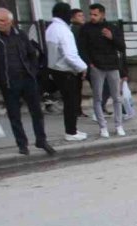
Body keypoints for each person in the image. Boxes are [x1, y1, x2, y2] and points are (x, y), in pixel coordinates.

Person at [0, 9, 56, 156]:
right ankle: (22, 144)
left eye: (2, 21)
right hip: (8, 81)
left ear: (10, 22)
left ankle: (41, 140)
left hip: (27, 78)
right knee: (14, 114)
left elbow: (31, 54)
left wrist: (33, 71)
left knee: (37, 112)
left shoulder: (20, 34)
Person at [78, 3, 125, 138]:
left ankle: (118, 125)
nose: (92, 17)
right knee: (98, 97)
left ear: (102, 15)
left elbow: (122, 47)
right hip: (96, 67)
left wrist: (112, 37)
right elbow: (82, 49)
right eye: (91, 14)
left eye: (95, 15)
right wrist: (89, 64)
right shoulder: (86, 29)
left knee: (116, 97)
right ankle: (103, 126)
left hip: (112, 66)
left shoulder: (112, 28)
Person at [45, 2, 88, 141]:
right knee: (71, 101)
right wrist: (82, 67)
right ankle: (71, 131)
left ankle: (72, 130)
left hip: (55, 69)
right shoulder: (63, 31)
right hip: (66, 71)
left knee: (69, 101)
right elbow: (70, 55)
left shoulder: (51, 28)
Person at [69, 8, 88, 116]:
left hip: (79, 62)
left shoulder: (78, 28)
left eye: (82, 15)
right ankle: (77, 110)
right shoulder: (77, 29)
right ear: (73, 18)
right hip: (79, 62)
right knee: (76, 88)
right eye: (79, 16)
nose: (83, 17)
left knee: (77, 88)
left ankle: (77, 110)